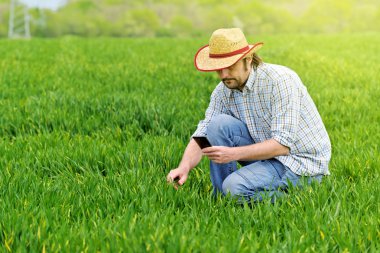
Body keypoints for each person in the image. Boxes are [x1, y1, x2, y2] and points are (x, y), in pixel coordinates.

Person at [166, 28, 331, 203]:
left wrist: (233, 154)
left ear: (248, 59)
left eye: (229, 66)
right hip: (269, 157)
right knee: (217, 124)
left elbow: (283, 145)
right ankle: (222, 198)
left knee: (234, 187)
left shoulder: (280, 81)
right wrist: (184, 167)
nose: (223, 75)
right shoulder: (223, 91)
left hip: (299, 163)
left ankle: (302, 193)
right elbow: (203, 133)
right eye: (218, 69)